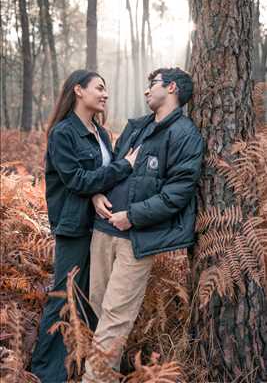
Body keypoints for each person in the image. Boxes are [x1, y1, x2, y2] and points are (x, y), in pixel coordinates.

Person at [82, 67, 204, 382]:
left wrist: (132, 216)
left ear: (172, 88)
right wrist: (97, 195)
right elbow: (114, 169)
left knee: (115, 316)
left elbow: (177, 193)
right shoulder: (137, 127)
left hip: (137, 239)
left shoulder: (185, 135)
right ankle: (108, 371)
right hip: (103, 230)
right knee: (98, 307)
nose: (147, 91)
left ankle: (93, 379)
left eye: (153, 85)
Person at [31, 69, 139, 383]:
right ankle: (47, 372)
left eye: (106, 90)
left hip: (102, 228)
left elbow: (97, 183)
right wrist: (123, 166)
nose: (105, 94)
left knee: (92, 298)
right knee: (64, 295)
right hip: (74, 227)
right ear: (78, 90)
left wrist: (97, 194)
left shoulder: (101, 133)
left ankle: (80, 365)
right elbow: (77, 180)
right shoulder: (64, 133)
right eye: (99, 88)